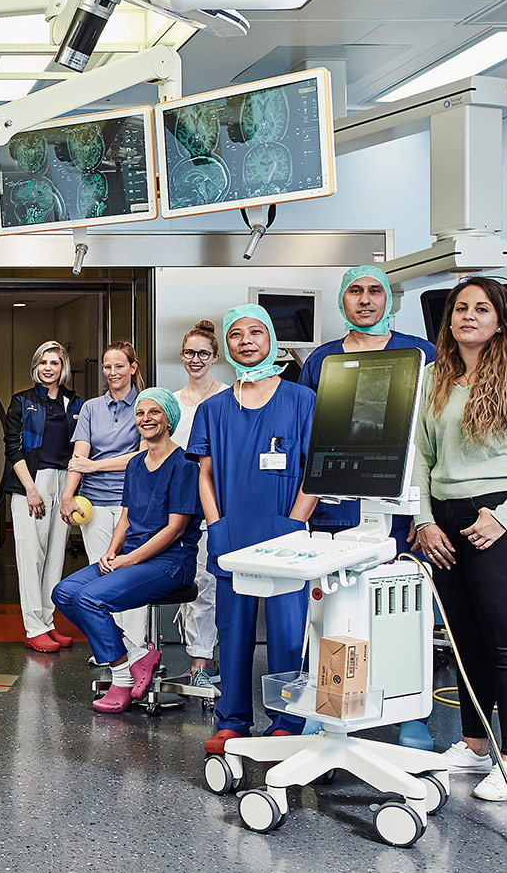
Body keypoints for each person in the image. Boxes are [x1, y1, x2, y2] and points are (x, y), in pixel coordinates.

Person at [411, 277, 507, 802]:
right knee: (465, 641)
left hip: (505, 518)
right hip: (444, 522)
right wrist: (425, 521)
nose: (468, 315)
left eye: (481, 308)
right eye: (460, 308)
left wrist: (502, 517)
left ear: (501, 319)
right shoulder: (435, 377)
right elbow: (420, 461)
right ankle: (475, 745)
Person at [299, 264, 439, 750]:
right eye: (355, 291)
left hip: (399, 505)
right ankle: (334, 703)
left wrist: (426, 516)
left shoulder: (420, 354)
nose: (365, 299)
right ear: (343, 301)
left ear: (389, 300)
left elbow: (431, 436)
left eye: (374, 291)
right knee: (334, 611)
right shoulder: (322, 361)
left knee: (401, 607)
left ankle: (410, 712)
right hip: (337, 506)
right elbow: (312, 438)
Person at [189, 305, 317, 754]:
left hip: (285, 533)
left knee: (286, 632)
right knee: (234, 632)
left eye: (256, 331)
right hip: (231, 533)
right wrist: (215, 525)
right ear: (227, 344)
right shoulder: (214, 408)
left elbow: (313, 471)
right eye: (237, 334)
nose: (246, 340)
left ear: (271, 340)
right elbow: (205, 473)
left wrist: (296, 521)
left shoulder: (302, 400)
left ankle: (286, 720)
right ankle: (233, 720)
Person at [53, 389, 201, 713]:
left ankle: (121, 677)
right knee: (64, 593)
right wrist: (110, 553)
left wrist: (127, 560)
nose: (146, 419)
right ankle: (136, 655)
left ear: (169, 418)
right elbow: (126, 516)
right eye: (140, 413)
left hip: (170, 563)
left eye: (154, 412)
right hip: (130, 556)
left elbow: (175, 528)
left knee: (90, 599)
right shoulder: (135, 464)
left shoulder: (184, 464)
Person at [60, 341, 146, 650]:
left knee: (132, 575)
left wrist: (94, 466)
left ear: (133, 368)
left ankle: (136, 647)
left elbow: (140, 458)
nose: (112, 372)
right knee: (101, 578)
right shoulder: (91, 408)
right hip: (93, 505)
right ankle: (112, 650)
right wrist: (68, 495)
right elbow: (78, 456)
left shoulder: (144, 405)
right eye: (107, 367)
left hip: (133, 504)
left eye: (119, 366)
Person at [6, 340, 83, 653]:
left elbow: (81, 444)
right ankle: (33, 626)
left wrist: (69, 491)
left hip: (63, 481)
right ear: (35, 367)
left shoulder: (74, 402)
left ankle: (49, 623)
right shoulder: (22, 401)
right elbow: (13, 446)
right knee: (31, 557)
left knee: (55, 558)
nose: (48, 368)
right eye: (43, 362)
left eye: (55, 363)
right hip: (31, 480)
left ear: (63, 368)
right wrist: (31, 490)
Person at [172, 321, 229, 690]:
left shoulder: (228, 398)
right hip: (178, 508)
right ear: (182, 356)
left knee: (210, 584)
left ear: (215, 357)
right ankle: (196, 660)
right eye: (190, 353)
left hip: (217, 506)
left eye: (203, 354)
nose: (196, 360)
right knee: (189, 584)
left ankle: (202, 662)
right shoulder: (171, 403)